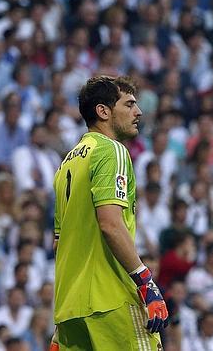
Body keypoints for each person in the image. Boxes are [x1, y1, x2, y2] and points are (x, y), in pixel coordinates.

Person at [52, 76, 168, 350]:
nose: (138, 112)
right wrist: (145, 282)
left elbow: (60, 243)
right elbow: (110, 224)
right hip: (111, 298)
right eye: (129, 104)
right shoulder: (111, 150)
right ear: (103, 111)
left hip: (71, 310)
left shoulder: (65, 165)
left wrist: (60, 327)